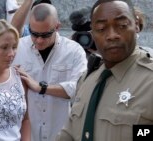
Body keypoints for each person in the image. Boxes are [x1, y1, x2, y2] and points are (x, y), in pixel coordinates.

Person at [56, 0, 153, 141]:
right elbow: (69, 134)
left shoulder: (149, 81)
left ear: (136, 25)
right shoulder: (87, 80)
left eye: (122, 25)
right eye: (101, 28)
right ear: (92, 33)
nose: (112, 35)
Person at [12, 3, 87, 141]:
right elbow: (10, 30)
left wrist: (41, 88)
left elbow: (80, 88)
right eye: (34, 34)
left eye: (45, 35)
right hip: (27, 135)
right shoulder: (17, 48)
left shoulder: (74, 51)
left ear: (57, 27)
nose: (39, 40)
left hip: (61, 133)